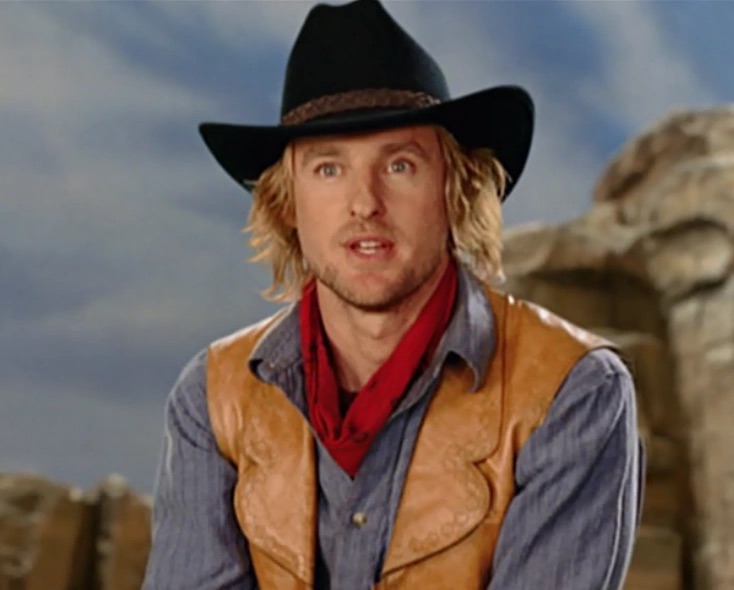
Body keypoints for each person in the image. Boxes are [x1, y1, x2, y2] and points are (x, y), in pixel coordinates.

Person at [143, 0, 644, 588]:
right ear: (287, 202)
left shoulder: (571, 392)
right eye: (328, 169)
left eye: (400, 165)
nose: (364, 203)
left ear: (456, 190)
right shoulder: (213, 399)